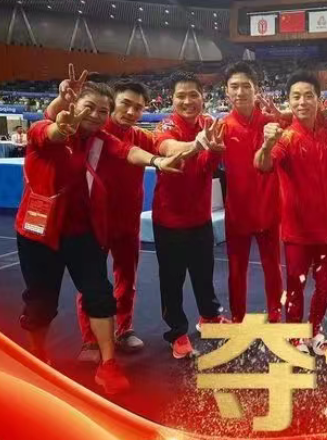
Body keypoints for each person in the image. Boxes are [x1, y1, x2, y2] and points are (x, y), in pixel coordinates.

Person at [15, 82, 183, 394]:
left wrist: (157, 162)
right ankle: (37, 357)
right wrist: (60, 125)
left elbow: (128, 150)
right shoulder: (42, 129)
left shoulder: (100, 138)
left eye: (102, 111)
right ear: (74, 106)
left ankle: (108, 364)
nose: (95, 115)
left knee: (99, 293)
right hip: (39, 233)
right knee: (41, 302)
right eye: (89, 108)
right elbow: (51, 133)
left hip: (81, 231)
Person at [45, 72, 172, 362]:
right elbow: (54, 121)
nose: (131, 111)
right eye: (125, 104)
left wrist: (195, 145)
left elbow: (162, 146)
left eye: (138, 107)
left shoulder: (140, 136)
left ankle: (124, 329)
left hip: (128, 222)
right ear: (113, 102)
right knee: (92, 282)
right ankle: (91, 340)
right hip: (93, 222)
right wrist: (62, 100)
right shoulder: (92, 131)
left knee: (127, 278)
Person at [254, 70, 327, 355]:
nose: (302, 102)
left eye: (308, 96)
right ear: (289, 101)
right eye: (296, 97)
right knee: (296, 287)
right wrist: (266, 144)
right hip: (297, 231)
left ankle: (314, 331)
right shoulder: (285, 138)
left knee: (325, 286)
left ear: (318, 99)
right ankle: (294, 335)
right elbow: (263, 165)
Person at [154, 71, 231, 360]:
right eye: (181, 96)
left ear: (203, 97)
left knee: (204, 273)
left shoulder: (210, 124)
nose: (187, 101)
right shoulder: (165, 125)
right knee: (171, 280)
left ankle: (209, 316)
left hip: (200, 218)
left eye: (193, 95)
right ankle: (176, 332)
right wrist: (196, 145)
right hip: (169, 220)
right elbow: (168, 149)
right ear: (172, 99)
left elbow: (207, 167)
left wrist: (215, 151)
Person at [220, 62, 286, 324]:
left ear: (256, 89)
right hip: (237, 212)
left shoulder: (273, 123)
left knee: (273, 268)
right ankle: (238, 319)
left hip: (270, 209)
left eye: (246, 86)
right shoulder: (222, 128)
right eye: (234, 87)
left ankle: (275, 315)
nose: (240, 92)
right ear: (226, 92)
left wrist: (283, 116)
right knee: (236, 270)